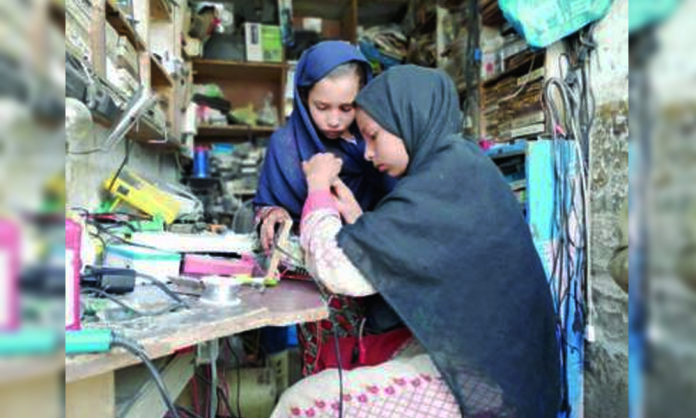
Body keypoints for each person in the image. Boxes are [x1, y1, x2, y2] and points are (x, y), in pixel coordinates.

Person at [271, 65, 560, 417]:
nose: (367, 152)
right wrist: (358, 219)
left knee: (301, 403)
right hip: (504, 365)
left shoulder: (440, 184)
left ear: (408, 120)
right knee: (358, 362)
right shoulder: (458, 166)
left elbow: (337, 271)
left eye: (374, 136)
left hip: (491, 384)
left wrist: (316, 189)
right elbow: (423, 253)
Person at [254, 41, 397, 377]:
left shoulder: (377, 141)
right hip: (317, 282)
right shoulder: (286, 145)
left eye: (347, 108)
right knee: (326, 376)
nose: (334, 119)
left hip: (379, 275)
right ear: (303, 98)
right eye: (322, 106)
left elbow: (399, 203)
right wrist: (271, 213)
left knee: (378, 376)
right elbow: (266, 202)